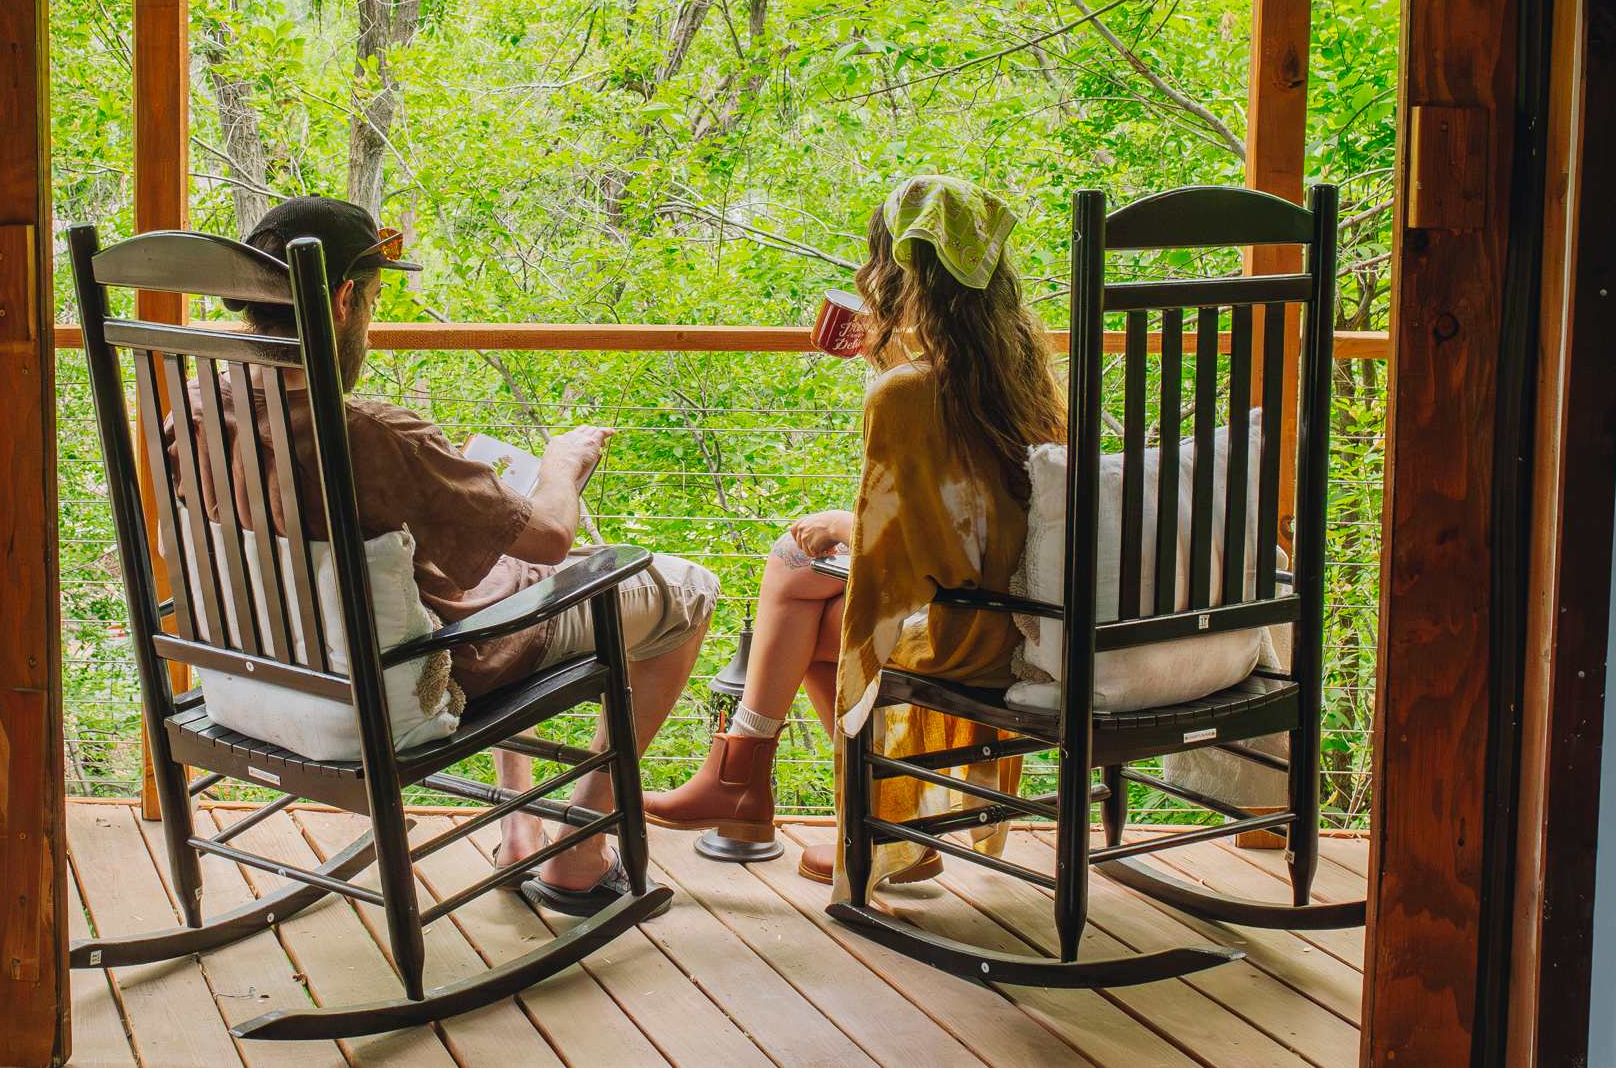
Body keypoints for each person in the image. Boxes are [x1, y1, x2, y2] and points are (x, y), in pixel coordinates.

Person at [171, 196, 718, 913]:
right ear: (343, 299)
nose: (370, 320)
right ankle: (580, 849)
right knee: (685, 590)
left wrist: (449, 490)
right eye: (373, 300)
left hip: (252, 681)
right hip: (394, 690)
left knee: (496, 573)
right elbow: (551, 538)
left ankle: (519, 827)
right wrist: (563, 464)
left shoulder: (193, 408)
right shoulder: (370, 433)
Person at [643, 176, 1065, 890]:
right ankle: (860, 816)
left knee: (791, 567)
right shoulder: (1025, 376)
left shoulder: (907, 392)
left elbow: (904, 561)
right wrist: (895, 352)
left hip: (968, 631)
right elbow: (979, 518)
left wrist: (846, 525)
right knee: (813, 622)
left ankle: (751, 782)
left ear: (900, 276)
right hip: (1025, 618)